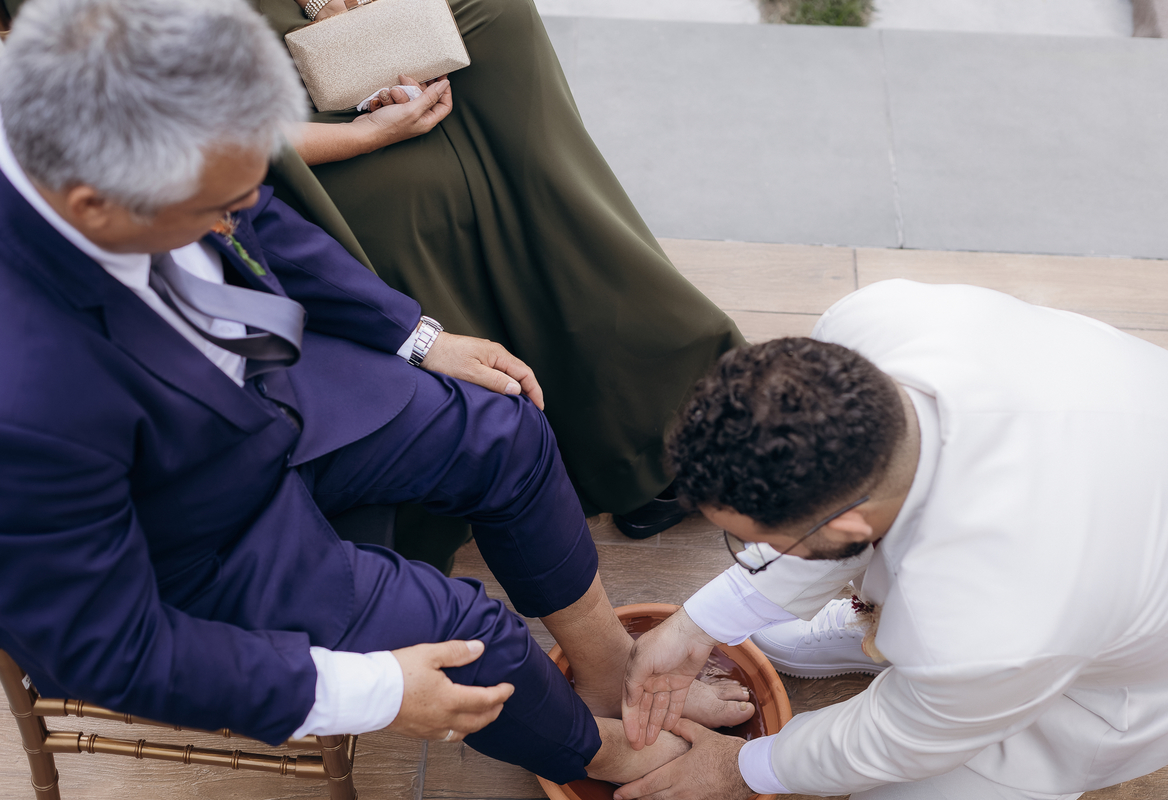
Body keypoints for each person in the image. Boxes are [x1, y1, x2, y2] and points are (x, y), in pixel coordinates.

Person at [0, 0, 754, 786]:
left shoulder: (147, 136)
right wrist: (374, 690)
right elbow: (103, 646)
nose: (239, 212)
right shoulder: (26, 398)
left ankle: (610, 671)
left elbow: (266, 228)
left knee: (506, 429)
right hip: (192, 538)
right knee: (470, 638)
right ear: (93, 207)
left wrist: (420, 336)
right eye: (215, 211)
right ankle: (601, 751)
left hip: (270, 388)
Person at [614, 280, 1168, 800]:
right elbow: (848, 484)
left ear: (848, 529)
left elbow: (900, 740)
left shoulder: (996, 623)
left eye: (754, 543)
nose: (754, 557)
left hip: (1131, 671)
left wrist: (747, 767)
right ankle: (903, 647)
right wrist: (701, 624)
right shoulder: (870, 321)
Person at [256, 0, 746, 539]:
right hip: (264, 96)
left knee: (497, 18)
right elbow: (194, 135)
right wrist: (365, 134)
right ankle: (494, 451)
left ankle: (649, 432)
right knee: (409, 197)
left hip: (373, 28)